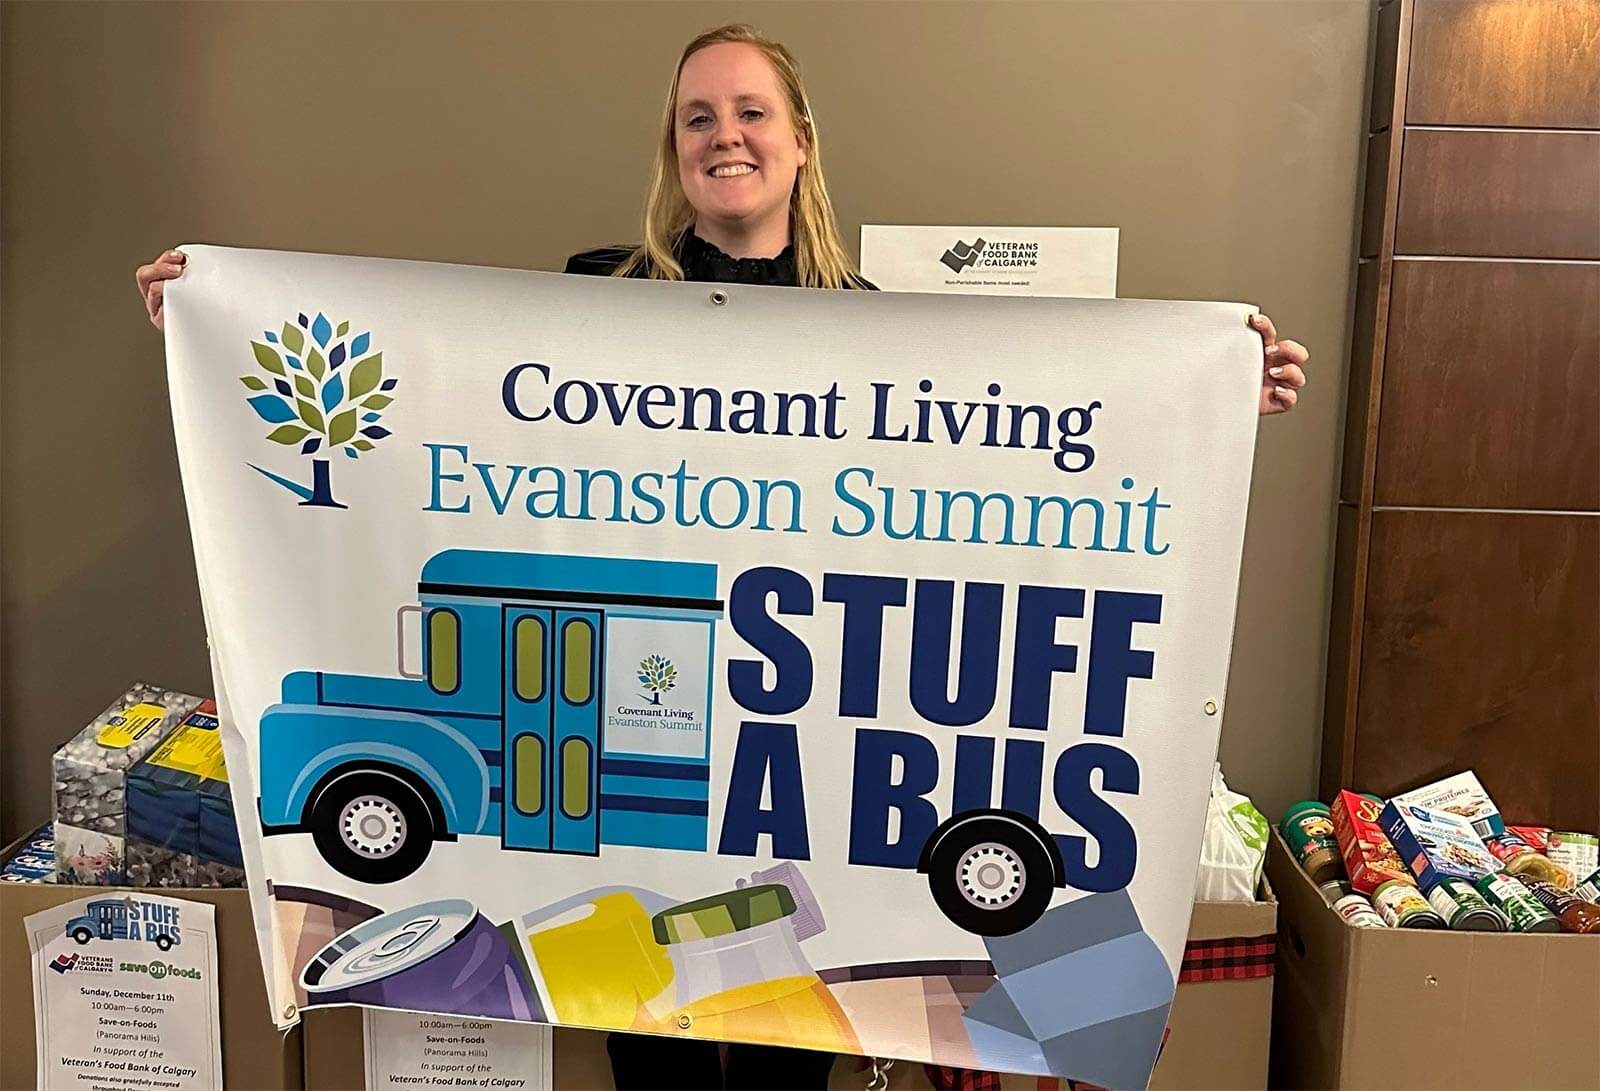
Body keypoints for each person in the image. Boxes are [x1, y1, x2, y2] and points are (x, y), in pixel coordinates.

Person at [133, 20, 1308, 1091]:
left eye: (750, 112)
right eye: (698, 117)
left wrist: (1209, 395)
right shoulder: (594, 301)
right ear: (674, 151)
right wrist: (216, 318)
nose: (724, 135)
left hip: (781, 769)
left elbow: (1027, 463)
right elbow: (445, 399)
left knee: (792, 1051)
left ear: (799, 143)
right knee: (651, 1052)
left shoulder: (880, 328)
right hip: (637, 818)